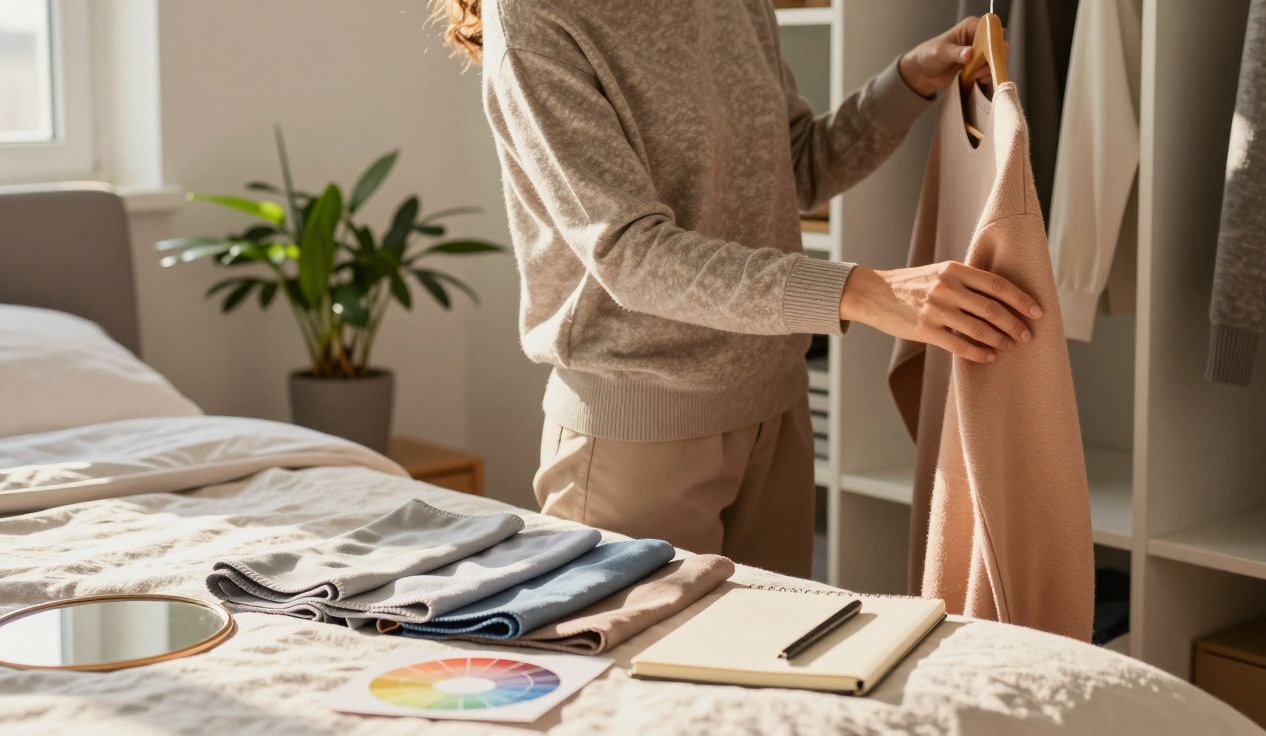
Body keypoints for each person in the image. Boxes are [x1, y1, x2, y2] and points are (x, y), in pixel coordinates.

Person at [439, 0, 1044, 578]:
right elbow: (630, 253)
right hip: (638, 431)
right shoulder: (536, 16)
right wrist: (864, 292)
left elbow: (796, 168)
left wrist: (909, 81)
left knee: (767, 677)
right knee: (635, 682)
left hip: (776, 412)